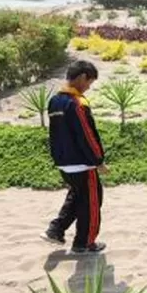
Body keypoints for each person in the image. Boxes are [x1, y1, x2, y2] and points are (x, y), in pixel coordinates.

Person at [44, 60, 108, 253]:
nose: (88, 87)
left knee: (77, 197)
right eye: (89, 82)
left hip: (64, 162)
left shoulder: (55, 100)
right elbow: (86, 135)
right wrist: (98, 161)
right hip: (82, 163)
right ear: (81, 77)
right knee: (92, 203)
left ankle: (56, 229)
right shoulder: (77, 103)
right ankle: (85, 242)